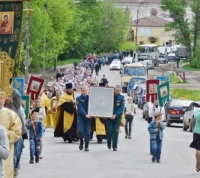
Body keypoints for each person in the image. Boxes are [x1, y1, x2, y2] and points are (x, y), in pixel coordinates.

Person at [0, 90, 22, 178]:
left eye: (0, 99)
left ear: (4, 100)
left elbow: (17, 133)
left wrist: (3, 133)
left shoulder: (11, 114)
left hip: (6, 148)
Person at [107, 85, 125, 151]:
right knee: (109, 131)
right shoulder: (110, 97)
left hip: (117, 118)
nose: (116, 92)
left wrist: (116, 115)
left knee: (115, 131)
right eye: (115, 90)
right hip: (109, 117)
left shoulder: (122, 98)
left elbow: (121, 108)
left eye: (118, 90)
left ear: (120, 90)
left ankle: (114, 146)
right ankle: (109, 141)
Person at [76, 86, 91, 151]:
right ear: (81, 90)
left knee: (87, 131)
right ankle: (81, 140)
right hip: (81, 116)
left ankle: (87, 145)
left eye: (85, 90)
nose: (84, 91)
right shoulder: (78, 98)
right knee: (80, 130)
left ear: (87, 90)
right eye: (83, 90)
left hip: (89, 117)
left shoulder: (90, 98)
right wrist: (85, 115)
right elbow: (80, 107)